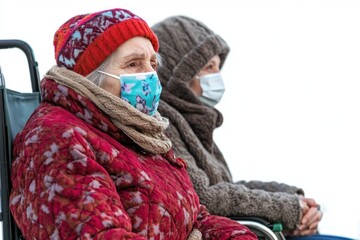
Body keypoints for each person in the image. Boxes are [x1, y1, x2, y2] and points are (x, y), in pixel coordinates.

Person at [9, 8, 258, 240]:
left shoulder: (137, 133)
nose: (148, 76)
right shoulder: (58, 138)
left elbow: (196, 216)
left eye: (152, 64)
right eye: (133, 64)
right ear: (90, 74)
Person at [151, 15, 355, 240]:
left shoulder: (193, 121)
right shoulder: (164, 121)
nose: (217, 77)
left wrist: (296, 199)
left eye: (218, 67)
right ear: (179, 75)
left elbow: (228, 187)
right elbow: (205, 197)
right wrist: (290, 209)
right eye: (209, 67)